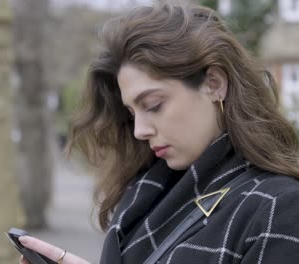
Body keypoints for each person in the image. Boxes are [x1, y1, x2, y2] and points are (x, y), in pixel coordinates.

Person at [18, 1, 299, 263]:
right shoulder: (147, 193)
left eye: (153, 105)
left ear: (214, 84)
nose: (139, 130)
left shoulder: (280, 207)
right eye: (131, 113)